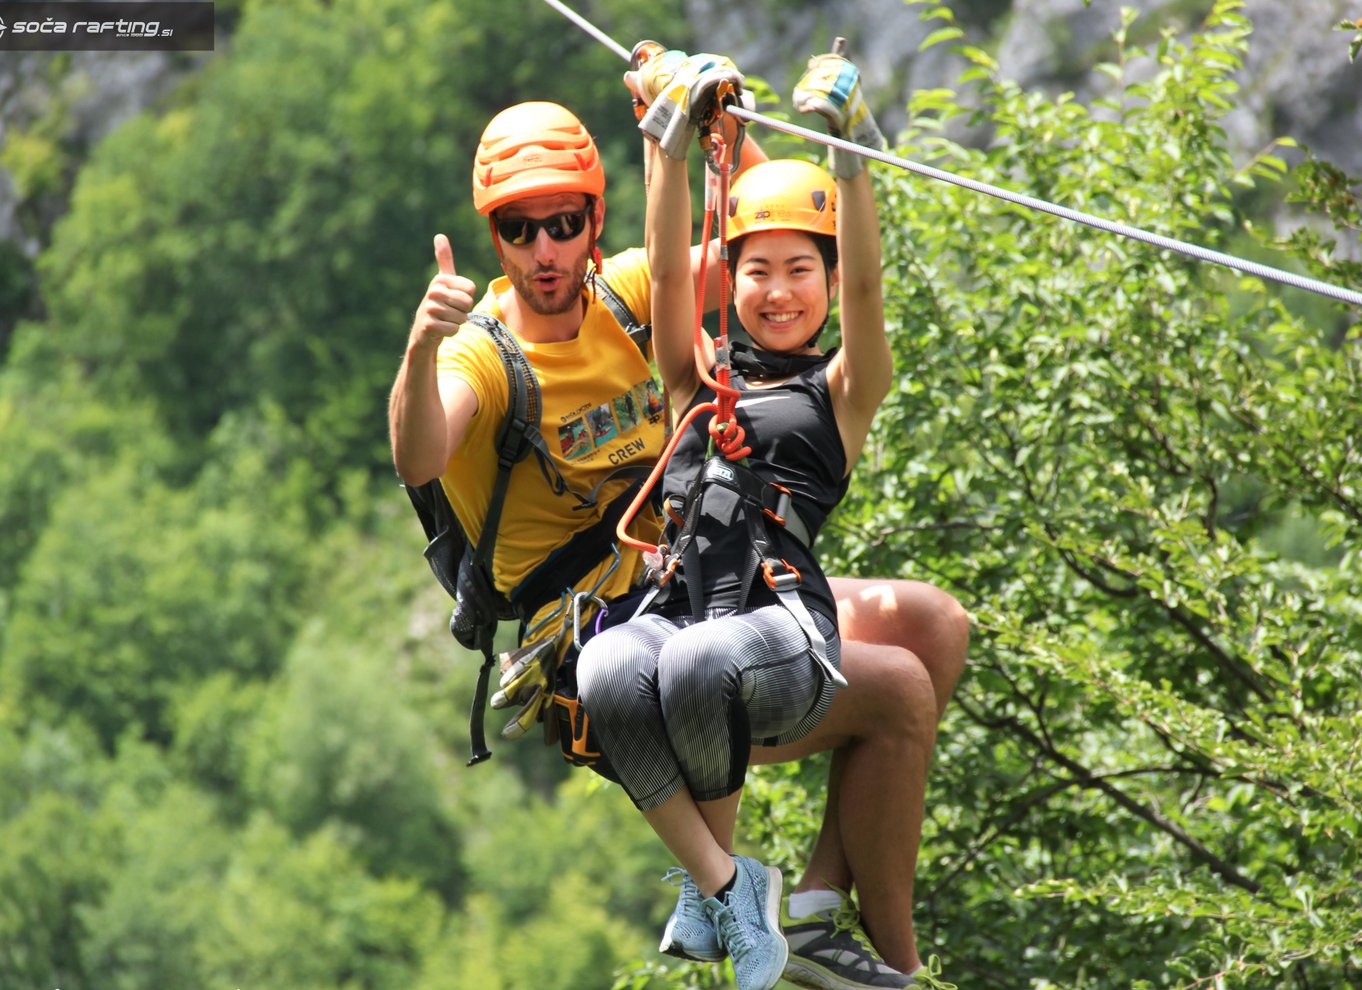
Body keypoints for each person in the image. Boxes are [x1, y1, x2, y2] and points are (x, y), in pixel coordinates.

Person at [387, 55, 967, 990]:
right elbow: (418, 455)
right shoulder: (482, 359)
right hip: (597, 641)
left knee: (935, 624)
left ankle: (820, 904)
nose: (545, 250)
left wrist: (716, 127)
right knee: (898, 690)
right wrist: (420, 350)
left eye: (563, 223)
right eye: (520, 229)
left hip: (692, 580)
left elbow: (773, 253)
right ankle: (883, 962)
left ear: (591, 222)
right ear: (495, 239)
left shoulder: (620, 296)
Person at [571, 46, 907, 990]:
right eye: (757, 271)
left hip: (784, 638)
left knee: (692, 658)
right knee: (603, 666)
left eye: (802, 270)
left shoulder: (843, 390)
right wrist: (669, 147)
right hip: (685, 613)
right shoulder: (696, 378)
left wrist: (851, 159)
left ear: (828, 286)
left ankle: (717, 890)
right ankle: (723, 883)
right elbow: (674, 288)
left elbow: (875, 297)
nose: (779, 290)